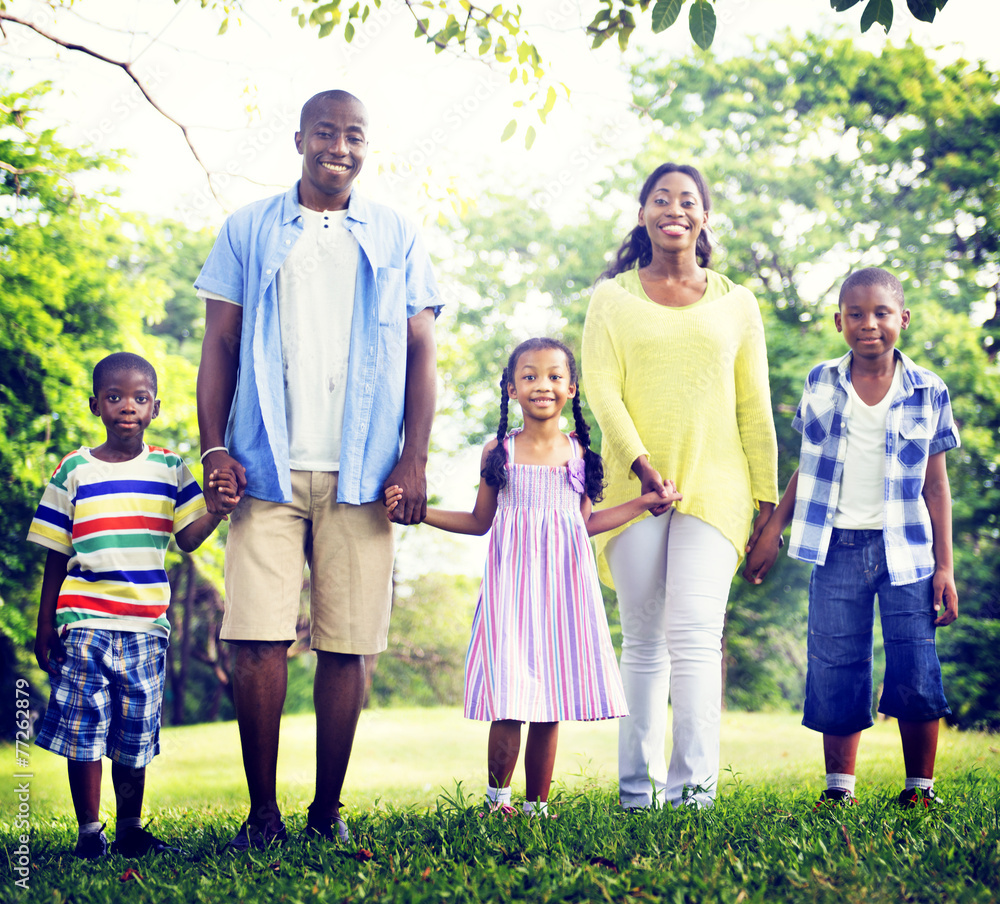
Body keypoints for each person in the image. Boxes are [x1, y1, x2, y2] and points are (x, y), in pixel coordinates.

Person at [194, 89, 440, 849]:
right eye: (326, 133)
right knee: (257, 639)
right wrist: (213, 448)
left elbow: (422, 351)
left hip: (363, 472)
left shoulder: (396, 232)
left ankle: (325, 812)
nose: (340, 146)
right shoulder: (250, 228)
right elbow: (220, 346)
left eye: (355, 135)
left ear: (369, 146)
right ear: (299, 139)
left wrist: (414, 456)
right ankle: (261, 814)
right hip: (265, 465)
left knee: (349, 642)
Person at [385, 337, 678, 816]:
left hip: (564, 589)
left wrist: (644, 505)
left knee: (551, 697)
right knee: (510, 696)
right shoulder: (498, 452)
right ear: (510, 389)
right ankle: (496, 800)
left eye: (554, 376)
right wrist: (422, 514)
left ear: (572, 388)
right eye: (529, 376)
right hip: (512, 590)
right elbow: (480, 522)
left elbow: (584, 523)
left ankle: (535, 807)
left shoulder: (580, 454)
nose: (542, 385)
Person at [581, 162, 779, 810]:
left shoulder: (737, 303)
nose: (674, 208)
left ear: (703, 216)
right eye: (661, 198)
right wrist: (641, 466)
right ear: (642, 213)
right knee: (641, 637)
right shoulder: (611, 298)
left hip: (718, 488)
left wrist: (769, 509)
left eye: (687, 199)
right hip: (632, 489)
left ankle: (692, 794)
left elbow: (755, 407)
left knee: (694, 632)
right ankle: (637, 794)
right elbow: (600, 390)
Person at [743, 267, 959, 808]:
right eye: (856, 314)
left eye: (882, 313)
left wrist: (946, 568)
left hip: (907, 550)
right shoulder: (820, 381)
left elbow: (937, 487)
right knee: (836, 662)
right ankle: (839, 788)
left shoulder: (929, 390)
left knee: (913, 661)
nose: (869, 325)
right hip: (836, 546)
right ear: (839, 321)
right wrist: (772, 529)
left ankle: (920, 789)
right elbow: (806, 468)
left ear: (902, 319)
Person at [28, 352, 240, 859]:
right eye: (115, 397)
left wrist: (217, 509)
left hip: (146, 626)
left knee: (133, 733)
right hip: (84, 622)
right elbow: (56, 555)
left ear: (156, 407)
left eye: (139, 398)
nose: (128, 407)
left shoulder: (170, 469)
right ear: (95, 405)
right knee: (84, 727)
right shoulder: (73, 469)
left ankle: (130, 829)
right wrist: (44, 626)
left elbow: (189, 539)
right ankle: (89, 832)